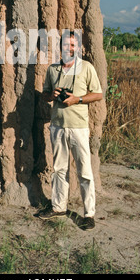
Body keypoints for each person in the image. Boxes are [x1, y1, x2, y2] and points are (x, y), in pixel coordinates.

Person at [39, 31, 103, 230]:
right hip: (57, 125)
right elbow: (45, 96)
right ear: (61, 47)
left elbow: (98, 94)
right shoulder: (53, 69)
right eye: (66, 45)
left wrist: (78, 99)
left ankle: (89, 214)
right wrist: (53, 94)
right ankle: (58, 207)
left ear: (79, 48)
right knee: (59, 169)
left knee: (84, 171)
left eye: (73, 45)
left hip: (79, 127)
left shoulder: (86, 68)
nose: (69, 48)